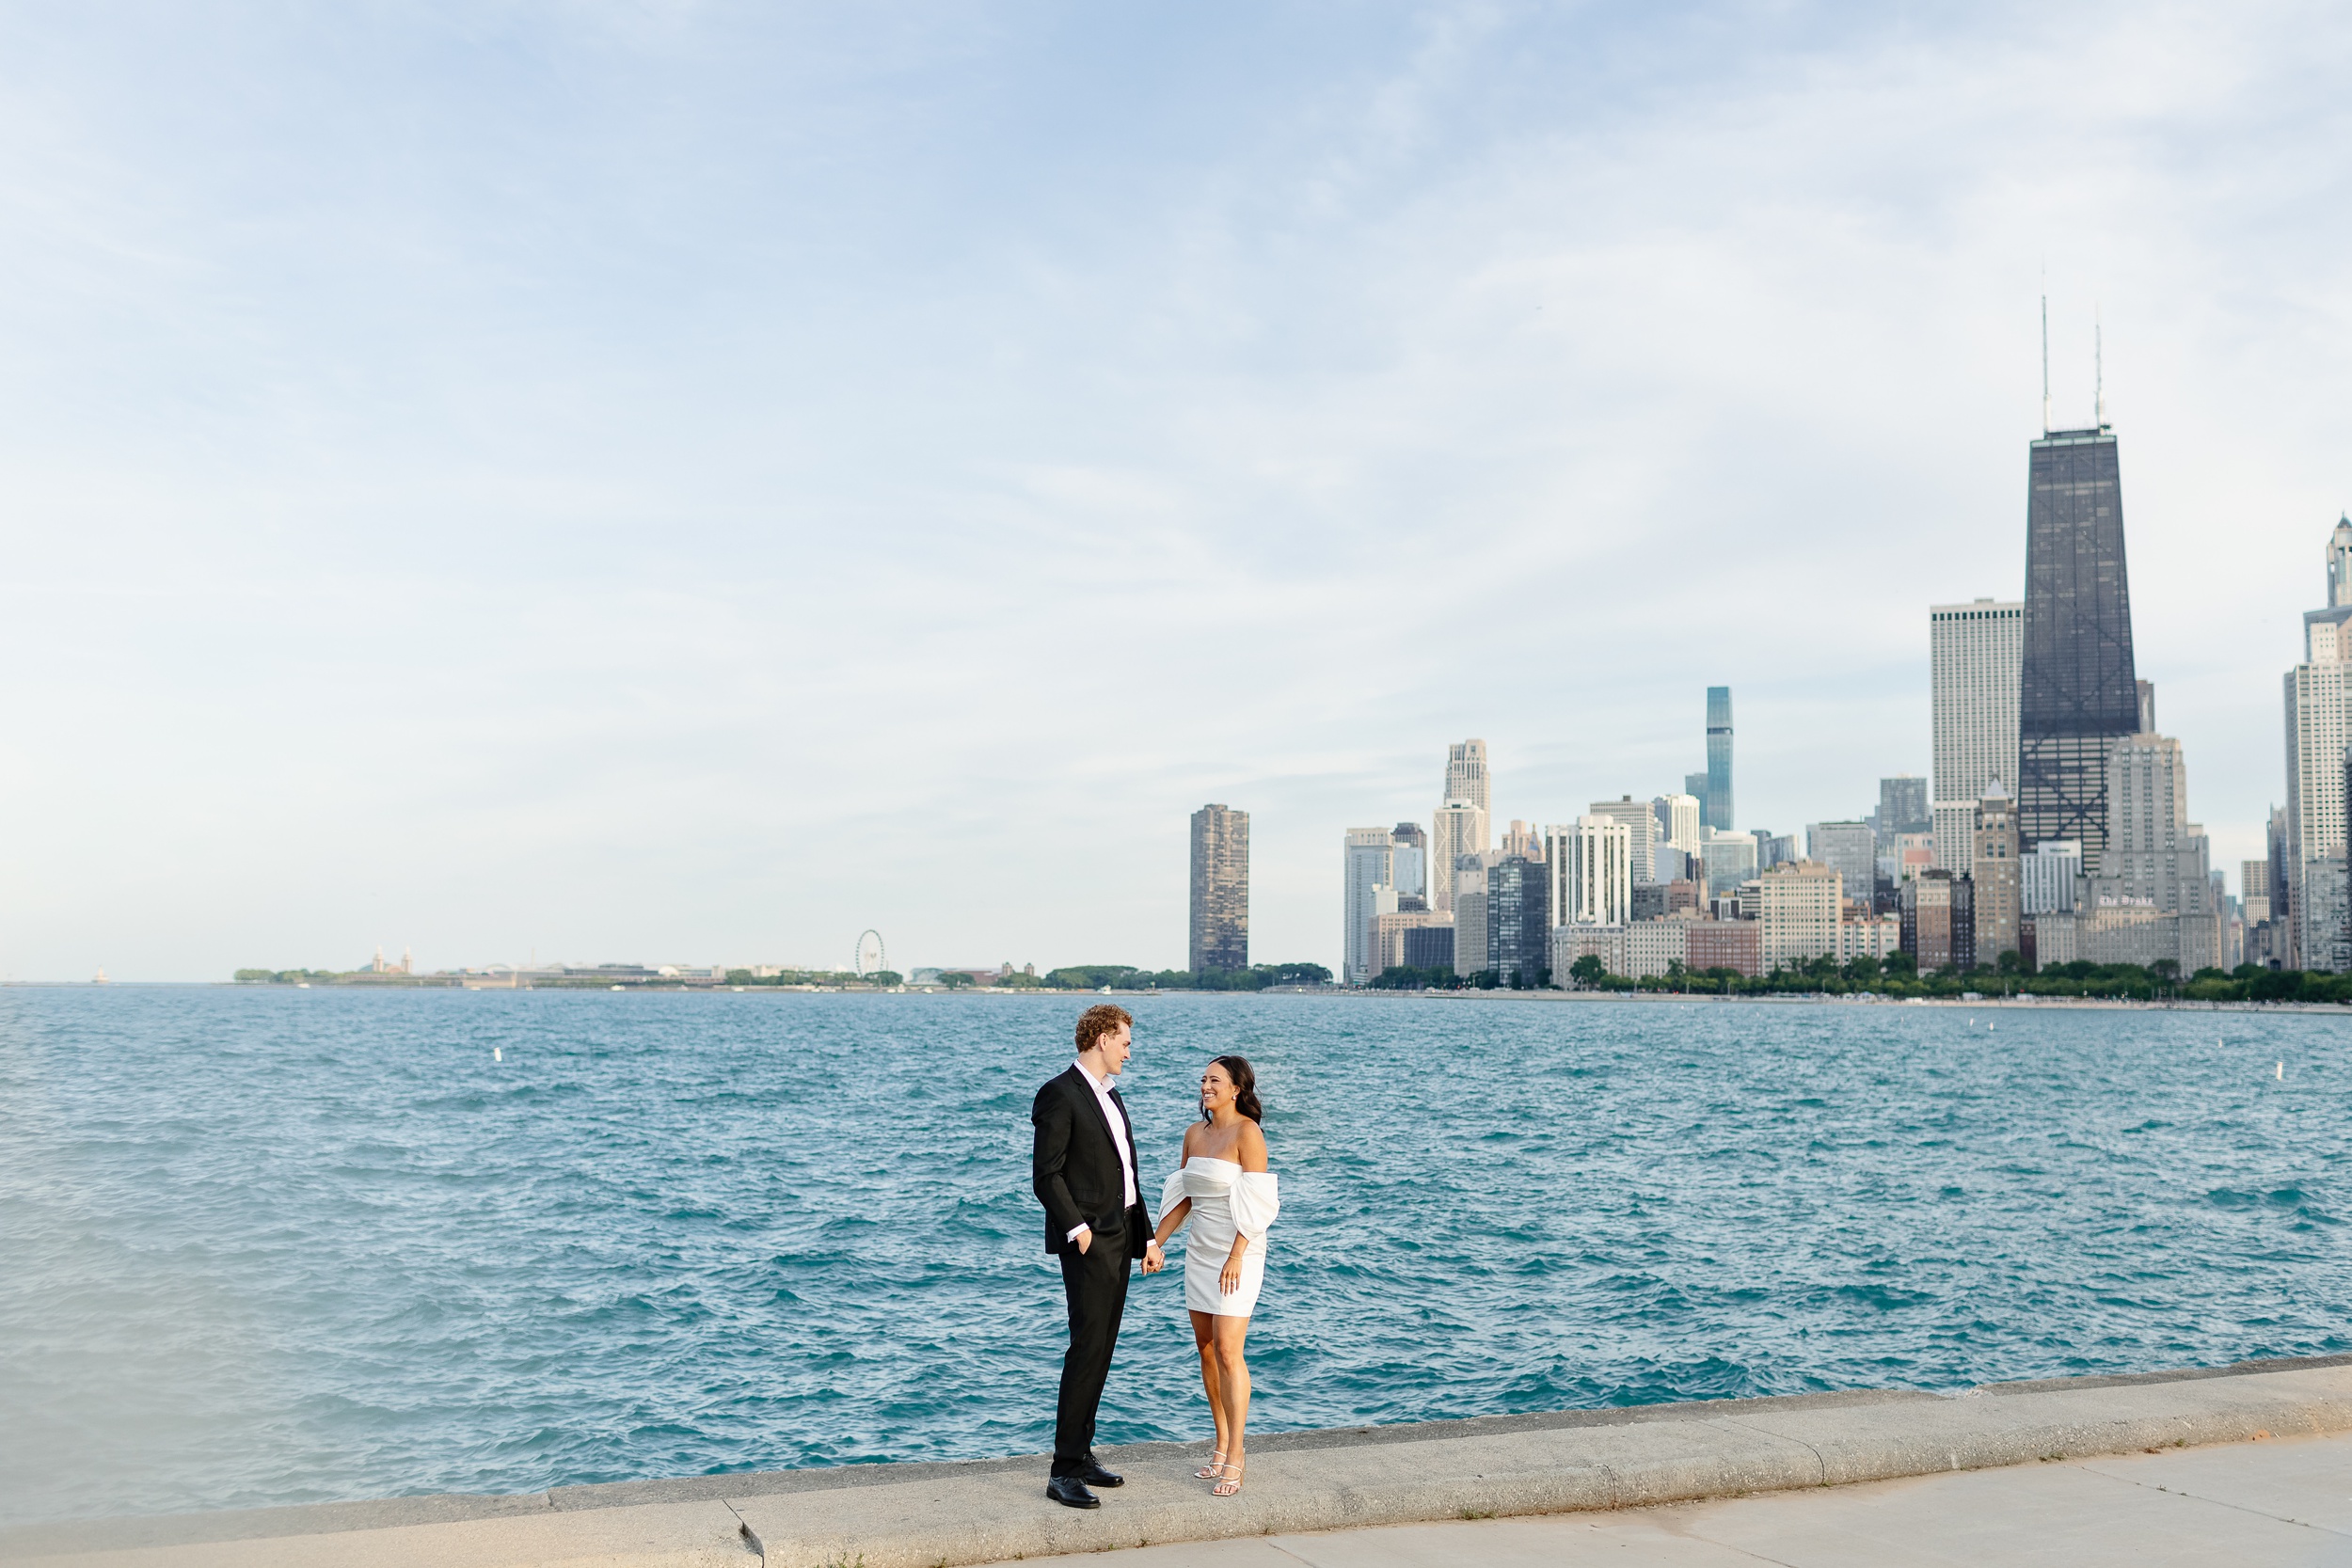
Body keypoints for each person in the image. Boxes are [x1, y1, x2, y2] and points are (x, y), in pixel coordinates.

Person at [1030, 1004, 1165, 1510]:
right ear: (1103, 1038)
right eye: (1125, 1041)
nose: (1130, 1051)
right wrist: (1079, 1229)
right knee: (1087, 1348)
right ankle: (1063, 1471)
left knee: (1102, 1348)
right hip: (1089, 1242)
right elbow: (1047, 1174)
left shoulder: (1111, 1094)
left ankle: (1081, 1454)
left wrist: (1146, 1238)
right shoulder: (1059, 1093)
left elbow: (1128, 1176)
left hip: (1121, 1236)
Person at [1149, 1054, 1279, 1498]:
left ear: (1236, 1089)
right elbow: (1184, 1198)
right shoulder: (1194, 1134)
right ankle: (1221, 1443)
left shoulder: (1248, 1133)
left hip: (1239, 1252)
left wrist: (1237, 1254)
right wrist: (1156, 1242)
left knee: (1227, 1349)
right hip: (1200, 1252)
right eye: (1203, 1079)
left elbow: (1259, 1203)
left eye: (1215, 1080)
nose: (1206, 1086)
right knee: (1205, 1349)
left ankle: (1238, 1453)